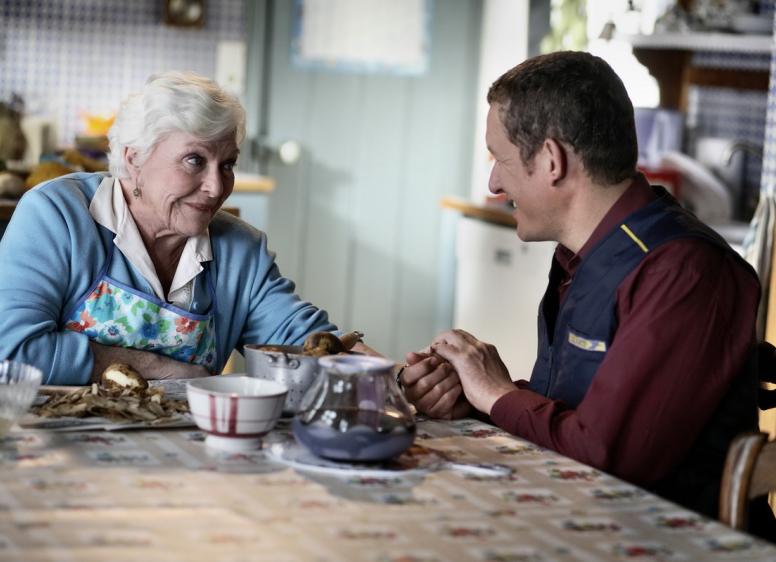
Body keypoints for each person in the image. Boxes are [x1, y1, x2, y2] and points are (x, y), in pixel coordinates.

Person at [400, 51, 764, 523]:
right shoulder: (582, 255)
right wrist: (474, 398)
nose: (493, 183)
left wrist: (495, 392)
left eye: (500, 159)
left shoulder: (683, 271)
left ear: (551, 160)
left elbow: (607, 461)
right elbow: (576, 417)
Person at [0, 71, 337, 385]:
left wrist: (369, 368)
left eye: (228, 165)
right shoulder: (57, 215)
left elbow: (308, 345)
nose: (216, 188)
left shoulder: (240, 250)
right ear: (134, 158)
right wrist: (154, 367)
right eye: (195, 160)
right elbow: (10, 350)